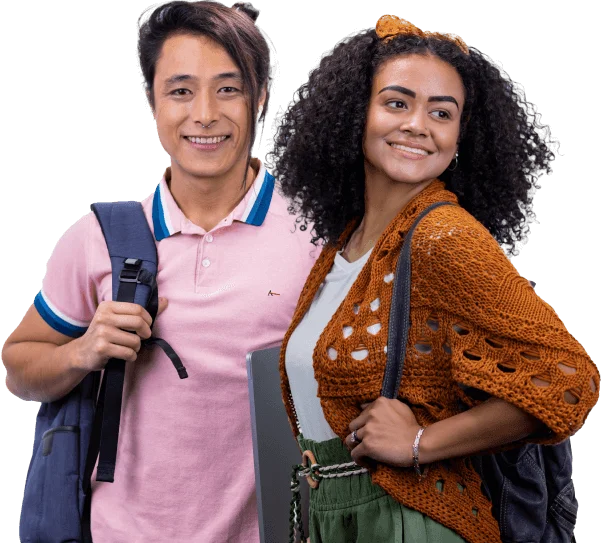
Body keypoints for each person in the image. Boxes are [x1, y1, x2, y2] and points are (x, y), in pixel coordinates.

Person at [273, 14, 600, 543]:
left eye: (441, 113)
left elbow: (566, 377)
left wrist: (421, 441)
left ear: (459, 136)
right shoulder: (349, 242)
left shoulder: (442, 236)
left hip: (409, 515)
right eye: (397, 103)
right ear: (357, 113)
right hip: (337, 511)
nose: (417, 125)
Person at [2, 1, 318, 541]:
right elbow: (16, 366)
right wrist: (83, 352)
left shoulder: (316, 235)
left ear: (260, 97)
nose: (204, 114)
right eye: (180, 91)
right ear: (151, 103)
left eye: (228, 88)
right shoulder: (102, 235)